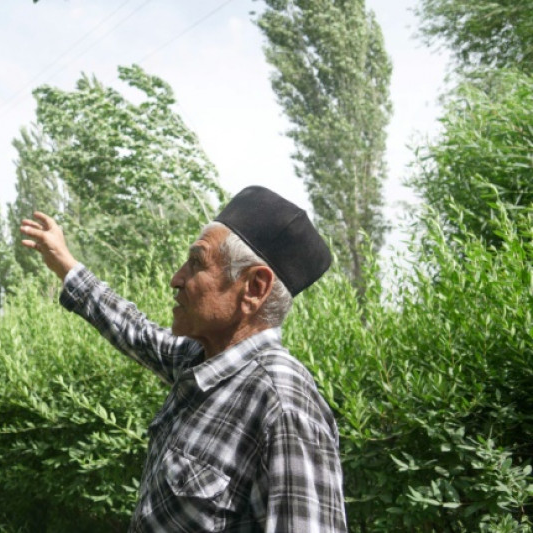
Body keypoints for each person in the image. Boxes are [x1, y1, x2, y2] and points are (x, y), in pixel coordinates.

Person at [19, 186, 347, 532]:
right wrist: (65, 265)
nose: (176, 279)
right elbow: (137, 333)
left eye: (196, 263)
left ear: (253, 288)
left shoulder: (283, 406)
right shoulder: (201, 359)